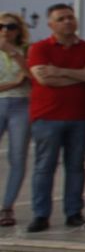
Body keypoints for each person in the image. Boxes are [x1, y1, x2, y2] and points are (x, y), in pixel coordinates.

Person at [26, 4, 85, 232]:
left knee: (76, 166)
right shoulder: (39, 48)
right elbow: (44, 79)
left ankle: (74, 212)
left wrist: (60, 71)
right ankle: (41, 215)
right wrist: (80, 76)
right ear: (50, 24)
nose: (67, 22)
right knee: (44, 167)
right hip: (47, 116)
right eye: (61, 19)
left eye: (70, 17)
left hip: (79, 116)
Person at [0, 13, 31, 228]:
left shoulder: (27, 50)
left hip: (22, 105)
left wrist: (14, 53)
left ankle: (7, 207)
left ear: (19, 29)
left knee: (18, 157)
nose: (5, 30)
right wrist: (14, 84)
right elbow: (20, 80)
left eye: (11, 27)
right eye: (1, 26)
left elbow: (32, 75)